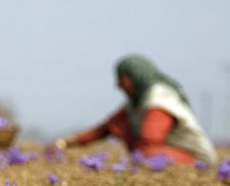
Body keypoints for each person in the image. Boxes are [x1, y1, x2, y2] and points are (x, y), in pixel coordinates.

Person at [54, 55, 217, 164]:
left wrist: (125, 135)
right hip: (165, 154)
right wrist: (66, 143)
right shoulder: (136, 102)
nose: (118, 85)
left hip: (195, 159)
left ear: (135, 77)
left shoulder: (159, 98)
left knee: (143, 155)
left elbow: (150, 138)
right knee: (140, 156)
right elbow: (105, 128)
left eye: (122, 80)